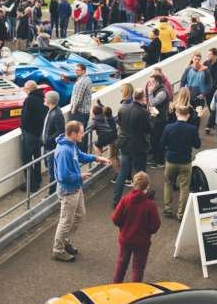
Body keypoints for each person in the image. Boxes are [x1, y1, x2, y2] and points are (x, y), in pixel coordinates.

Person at [51, 120, 110, 262]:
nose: (83, 135)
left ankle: (64, 240)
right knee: (65, 221)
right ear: (73, 134)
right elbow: (63, 176)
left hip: (75, 188)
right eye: (81, 133)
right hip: (68, 191)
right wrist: (80, 176)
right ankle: (58, 250)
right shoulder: (64, 151)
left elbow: (80, 155)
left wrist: (97, 158)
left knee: (79, 216)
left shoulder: (71, 145)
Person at [111, 171, 161, 283]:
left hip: (126, 238)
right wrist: (147, 231)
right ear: (147, 186)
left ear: (133, 184)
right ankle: (136, 292)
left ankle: (115, 287)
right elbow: (155, 225)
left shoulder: (125, 200)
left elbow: (115, 218)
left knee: (121, 264)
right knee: (138, 268)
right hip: (142, 241)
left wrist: (123, 226)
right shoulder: (150, 205)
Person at [160, 106, 201, 219]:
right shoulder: (192, 129)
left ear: (177, 114)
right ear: (188, 115)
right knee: (184, 187)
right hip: (185, 161)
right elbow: (197, 145)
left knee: (168, 183)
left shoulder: (168, 127)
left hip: (171, 160)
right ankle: (181, 213)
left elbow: (162, 143)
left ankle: (167, 208)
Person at [114, 88, 151, 207]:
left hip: (124, 144)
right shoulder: (143, 112)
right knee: (140, 173)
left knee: (123, 173)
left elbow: (119, 123)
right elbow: (149, 129)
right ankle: (140, 200)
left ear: (133, 96)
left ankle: (116, 200)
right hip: (138, 146)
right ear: (143, 98)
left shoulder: (122, 108)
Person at [20, 81, 47, 193]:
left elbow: (25, 118)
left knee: (26, 159)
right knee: (37, 158)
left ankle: (31, 185)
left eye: (25, 88)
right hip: (39, 134)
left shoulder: (29, 100)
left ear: (29, 89)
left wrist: (22, 127)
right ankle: (38, 179)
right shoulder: (42, 99)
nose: (24, 90)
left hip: (29, 134)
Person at [180, 53, 212, 130]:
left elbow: (210, 84)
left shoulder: (205, 70)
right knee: (188, 115)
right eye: (195, 59)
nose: (197, 61)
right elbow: (182, 81)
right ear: (192, 59)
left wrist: (204, 94)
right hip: (189, 98)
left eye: (198, 59)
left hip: (199, 99)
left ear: (200, 60)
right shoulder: (188, 69)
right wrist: (182, 92)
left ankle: (195, 132)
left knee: (198, 116)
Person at [42, 90, 65, 196]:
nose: (44, 99)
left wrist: (48, 139)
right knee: (50, 169)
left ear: (50, 101)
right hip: (48, 146)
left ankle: (51, 194)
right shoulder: (52, 111)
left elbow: (60, 131)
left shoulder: (56, 114)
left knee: (52, 172)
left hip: (51, 148)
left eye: (46, 98)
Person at [146, 70, 170, 168]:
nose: (149, 85)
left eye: (151, 82)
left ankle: (159, 161)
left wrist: (150, 93)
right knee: (153, 140)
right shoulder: (158, 89)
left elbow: (152, 103)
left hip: (160, 120)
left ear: (157, 82)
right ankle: (155, 158)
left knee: (158, 141)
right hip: (155, 119)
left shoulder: (162, 92)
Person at [68, 63, 92, 149]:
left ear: (83, 71)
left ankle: (80, 154)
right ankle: (84, 152)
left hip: (79, 113)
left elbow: (78, 99)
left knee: (78, 135)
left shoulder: (81, 82)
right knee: (82, 133)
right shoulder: (87, 79)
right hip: (85, 112)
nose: (76, 72)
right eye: (76, 70)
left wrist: (73, 111)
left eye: (78, 70)